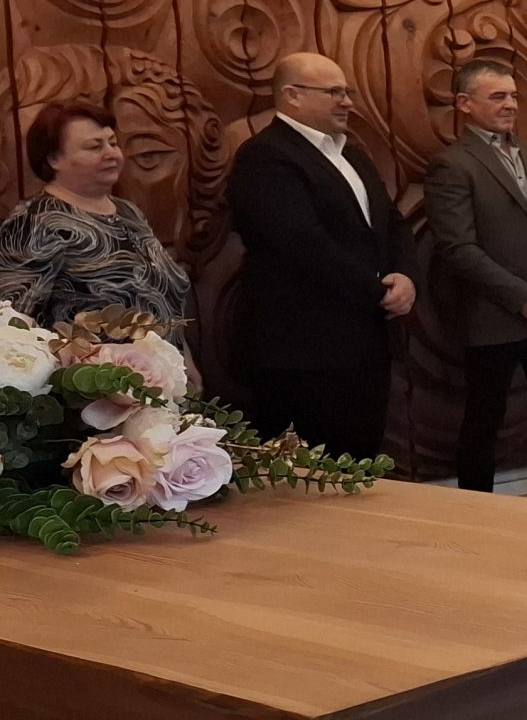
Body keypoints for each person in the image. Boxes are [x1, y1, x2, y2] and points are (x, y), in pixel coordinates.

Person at [225, 52, 416, 458]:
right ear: (292, 96)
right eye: (333, 92)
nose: (346, 102)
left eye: (346, 91)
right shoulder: (265, 156)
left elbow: (392, 223)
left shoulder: (352, 154)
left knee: (360, 466)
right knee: (308, 477)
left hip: (364, 344)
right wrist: (378, 290)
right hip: (301, 352)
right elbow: (301, 244)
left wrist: (405, 276)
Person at [422, 59, 527, 503]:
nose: (510, 104)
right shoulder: (452, 165)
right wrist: (522, 297)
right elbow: (458, 248)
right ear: (464, 103)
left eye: (513, 95)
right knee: (484, 420)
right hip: (493, 317)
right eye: (498, 96)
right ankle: (477, 514)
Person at [0, 101, 194, 339]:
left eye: (113, 143)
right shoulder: (34, 221)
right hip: (90, 363)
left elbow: (162, 297)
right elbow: (13, 323)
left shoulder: (127, 211)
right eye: (94, 147)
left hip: (165, 359)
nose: (111, 154)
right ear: (54, 158)